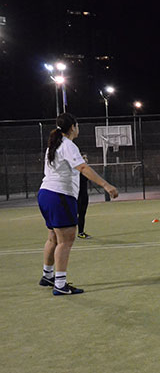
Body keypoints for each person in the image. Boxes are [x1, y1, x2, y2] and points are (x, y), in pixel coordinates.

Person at [38, 113, 118, 295]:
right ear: (73, 127)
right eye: (77, 125)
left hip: (45, 194)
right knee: (66, 241)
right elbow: (83, 168)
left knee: (53, 238)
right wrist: (106, 185)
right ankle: (60, 284)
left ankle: (47, 275)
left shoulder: (55, 144)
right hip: (59, 196)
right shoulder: (68, 145)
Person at [77, 154, 91, 239]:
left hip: (84, 194)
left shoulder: (86, 170)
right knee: (73, 214)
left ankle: (80, 232)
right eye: (83, 158)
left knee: (82, 214)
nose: (86, 159)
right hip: (76, 195)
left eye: (86, 158)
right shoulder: (76, 171)